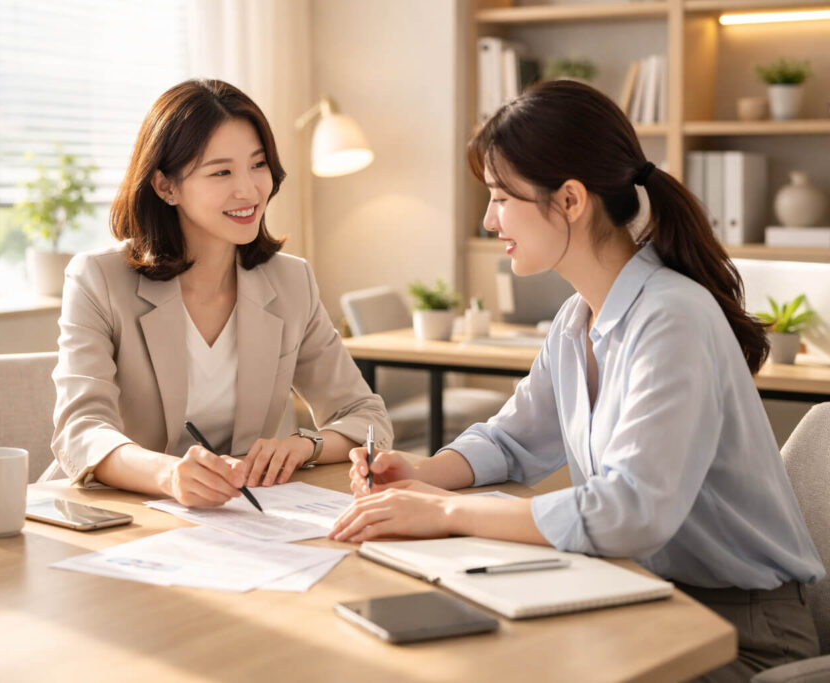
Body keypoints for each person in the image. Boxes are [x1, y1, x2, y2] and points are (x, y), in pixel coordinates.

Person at [329, 80, 823, 681]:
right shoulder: (576, 320)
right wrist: (420, 474)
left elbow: (631, 511)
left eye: (501, 197)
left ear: (569, 200)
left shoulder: (672, 317)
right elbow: (512, 440)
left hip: (738, 634)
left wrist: (449, 513)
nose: (488, 220)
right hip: (643, 593)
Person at [51, 78, 391, 508]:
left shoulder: (291, 283)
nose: (248, 190)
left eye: (258, 164)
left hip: (240, 519)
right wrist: (168, 474)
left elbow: (367, 417)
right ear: (165, 186)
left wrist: (306, 446)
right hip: (122, 516)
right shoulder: (97, 280)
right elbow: (80, 430)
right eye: (221, 172)